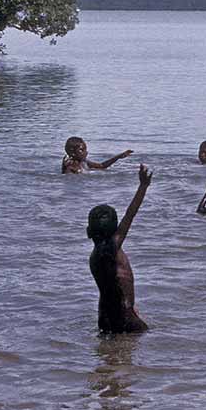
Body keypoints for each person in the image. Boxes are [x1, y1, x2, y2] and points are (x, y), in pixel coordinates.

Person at [87, 164, 153, 333]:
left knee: (110, 355)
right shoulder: (115, 246)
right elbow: (130, 214)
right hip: (126, 316)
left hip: (104, 317)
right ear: (115, 229)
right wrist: (143, 186)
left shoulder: (95, 258)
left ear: (89, 231)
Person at [62, 136, 133, 174]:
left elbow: (102, 166)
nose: (86, 152)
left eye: (85, 149)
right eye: (82, 150)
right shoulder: (71, 167)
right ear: (72, 153)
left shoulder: (84, 161)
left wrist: (118, 157)